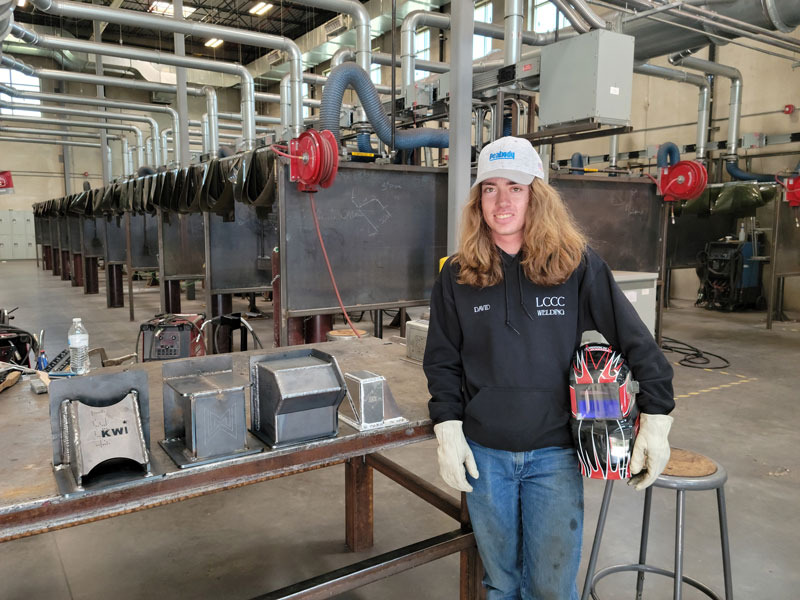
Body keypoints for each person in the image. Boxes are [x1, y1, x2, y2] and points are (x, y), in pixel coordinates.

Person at [423, 136, 675, 600]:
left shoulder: (574, 265)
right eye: (490, 188)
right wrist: (448, 427)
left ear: (536, 194)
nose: (502, 201)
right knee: (501, 584)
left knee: (551, 588)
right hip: (486, 456)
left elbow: (636, 340)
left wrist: (656, 419)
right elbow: (441, 359)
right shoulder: (457, 274)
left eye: (515, 188)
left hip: (554, 455)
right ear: (478, 200)